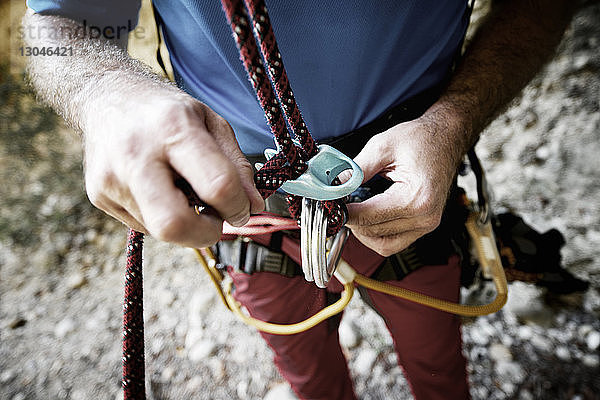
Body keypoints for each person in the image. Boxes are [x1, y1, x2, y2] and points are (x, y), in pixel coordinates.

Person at [23, 1, 576, 399]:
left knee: (437, 365)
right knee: (307, 372)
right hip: (251, 208)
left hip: (410, 179)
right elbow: (60, 24)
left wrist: (452, 122)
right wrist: (105, 94)